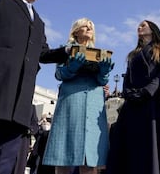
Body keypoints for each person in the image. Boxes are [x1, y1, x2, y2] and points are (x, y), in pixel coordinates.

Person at [0, 0, 69, 174]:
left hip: (20, 99)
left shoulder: (39, 22)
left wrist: (68, 51)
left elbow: (43, 53)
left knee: (6, 160)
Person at [43, 18, 114, 174]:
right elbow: (59, 74)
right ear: (76, 31)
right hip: (71, 103)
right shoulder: (65, 50)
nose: (89, 28)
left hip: (94, 103)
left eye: (91, 27)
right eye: (86, 26)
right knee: (63, 154)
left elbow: (102, 81)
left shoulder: (99, 54)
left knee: (90, 159)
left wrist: (104, 72)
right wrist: (72, 67)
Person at [106, 20, 160, 174]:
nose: (139, 27)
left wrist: (147, 91)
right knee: (130, 144)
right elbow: (127, 77)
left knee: (154, 142)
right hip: (132, 103)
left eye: (143, 25)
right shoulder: (133, 54)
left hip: (153, 100)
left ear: (153, 29)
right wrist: (128, 93)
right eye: (138, 25)